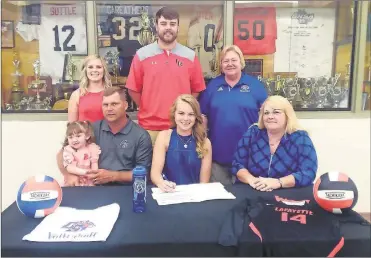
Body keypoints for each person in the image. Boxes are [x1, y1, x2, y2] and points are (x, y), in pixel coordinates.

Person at [125, 6, 206, 146]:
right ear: (156, 26)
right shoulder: (142, 55)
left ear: (178, 27)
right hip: (150, 128)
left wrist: (183, 111)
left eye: (172, 24)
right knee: (150, 168)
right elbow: (133, 89)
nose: (168, 28)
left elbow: (196, 89)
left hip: (180, 127)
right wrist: (148, 106)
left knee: (178, 168)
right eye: (163, 24)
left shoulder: (190, 56)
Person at [199, 45, 268, 185]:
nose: (230, 64)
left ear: (241, 63)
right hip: (218, 159)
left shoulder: (256, 86)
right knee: (219, 203)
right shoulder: (212, 86)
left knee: (247, 201)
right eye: (225, 61)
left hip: (249, 159)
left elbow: (266, 118)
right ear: (221, 64)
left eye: (234, 60)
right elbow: (203, 117)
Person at [58, 86, 153, 186]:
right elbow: (61, 154)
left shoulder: (140, 135)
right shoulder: (91, 129)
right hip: (95, 188)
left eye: (114, 104)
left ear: (125, 105)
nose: (109, 109)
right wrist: (68, 175)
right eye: (105, 105)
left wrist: (114, 176)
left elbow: (144, 174)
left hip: (126, 190)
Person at [231, 95, 318, 191]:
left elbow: (308, 172)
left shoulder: (301, 138)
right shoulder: (253, 133)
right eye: (266, 113)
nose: (270, 117)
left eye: (276, 112)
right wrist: (253, 181)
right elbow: (237, 164)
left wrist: (279, 182)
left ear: (287, 115)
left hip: (287, 192)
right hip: (252, 189)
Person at [151, 94, 212, 192]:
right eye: (181, 113)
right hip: (169, 194)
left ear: (196, 117)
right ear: (174, 114)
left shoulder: (205, 142)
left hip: (194, 196)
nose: (186, 118)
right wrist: (161, 183)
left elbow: (204, 182)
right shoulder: (164, 137)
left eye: (191, 114)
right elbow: (155, 174)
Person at [68, 54, 112, 122]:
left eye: (99, 67)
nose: (94, 70)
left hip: (107, 132)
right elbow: (72, 127)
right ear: (85, 70)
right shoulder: (76, 95)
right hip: (85, 132)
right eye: (90, 67)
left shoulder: (112, 94)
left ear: (104, 70)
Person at [62, 121, 101, 186]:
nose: (74, 140)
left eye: (78, 136)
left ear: (87, 136)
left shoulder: (92, 148)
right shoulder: (68, 150)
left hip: (89, 180)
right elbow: (69, 168)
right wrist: (85, 172)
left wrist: (94, 175)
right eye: (70, 137)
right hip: (75, 181)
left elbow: (94, 164)